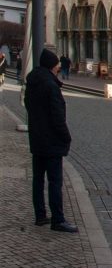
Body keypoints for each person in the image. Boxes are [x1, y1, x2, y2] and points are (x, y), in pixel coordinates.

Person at [25, 48, 77, 232]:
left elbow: (29, 107)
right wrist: (66, 136)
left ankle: (40, 215)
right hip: (52, 141)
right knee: (55, 181)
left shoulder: (32, 82)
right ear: (51, 66)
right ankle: (58, 219)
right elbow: (57, 117)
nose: (58, 68)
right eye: (56, 65)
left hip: (37, 139)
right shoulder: (50, 86)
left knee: (38, 179)